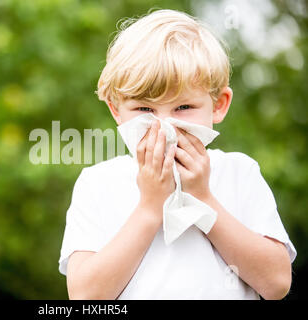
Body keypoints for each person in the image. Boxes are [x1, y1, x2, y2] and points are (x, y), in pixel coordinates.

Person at [58, 9, 296, 300]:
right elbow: (84, 297)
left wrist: (203, 199)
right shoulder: (97, 182)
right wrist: (149, 207)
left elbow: (276, 283)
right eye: (145, 110)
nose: (165, 126)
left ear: (218, 105)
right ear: (116, 110)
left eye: (183, 108)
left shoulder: (239, 173)